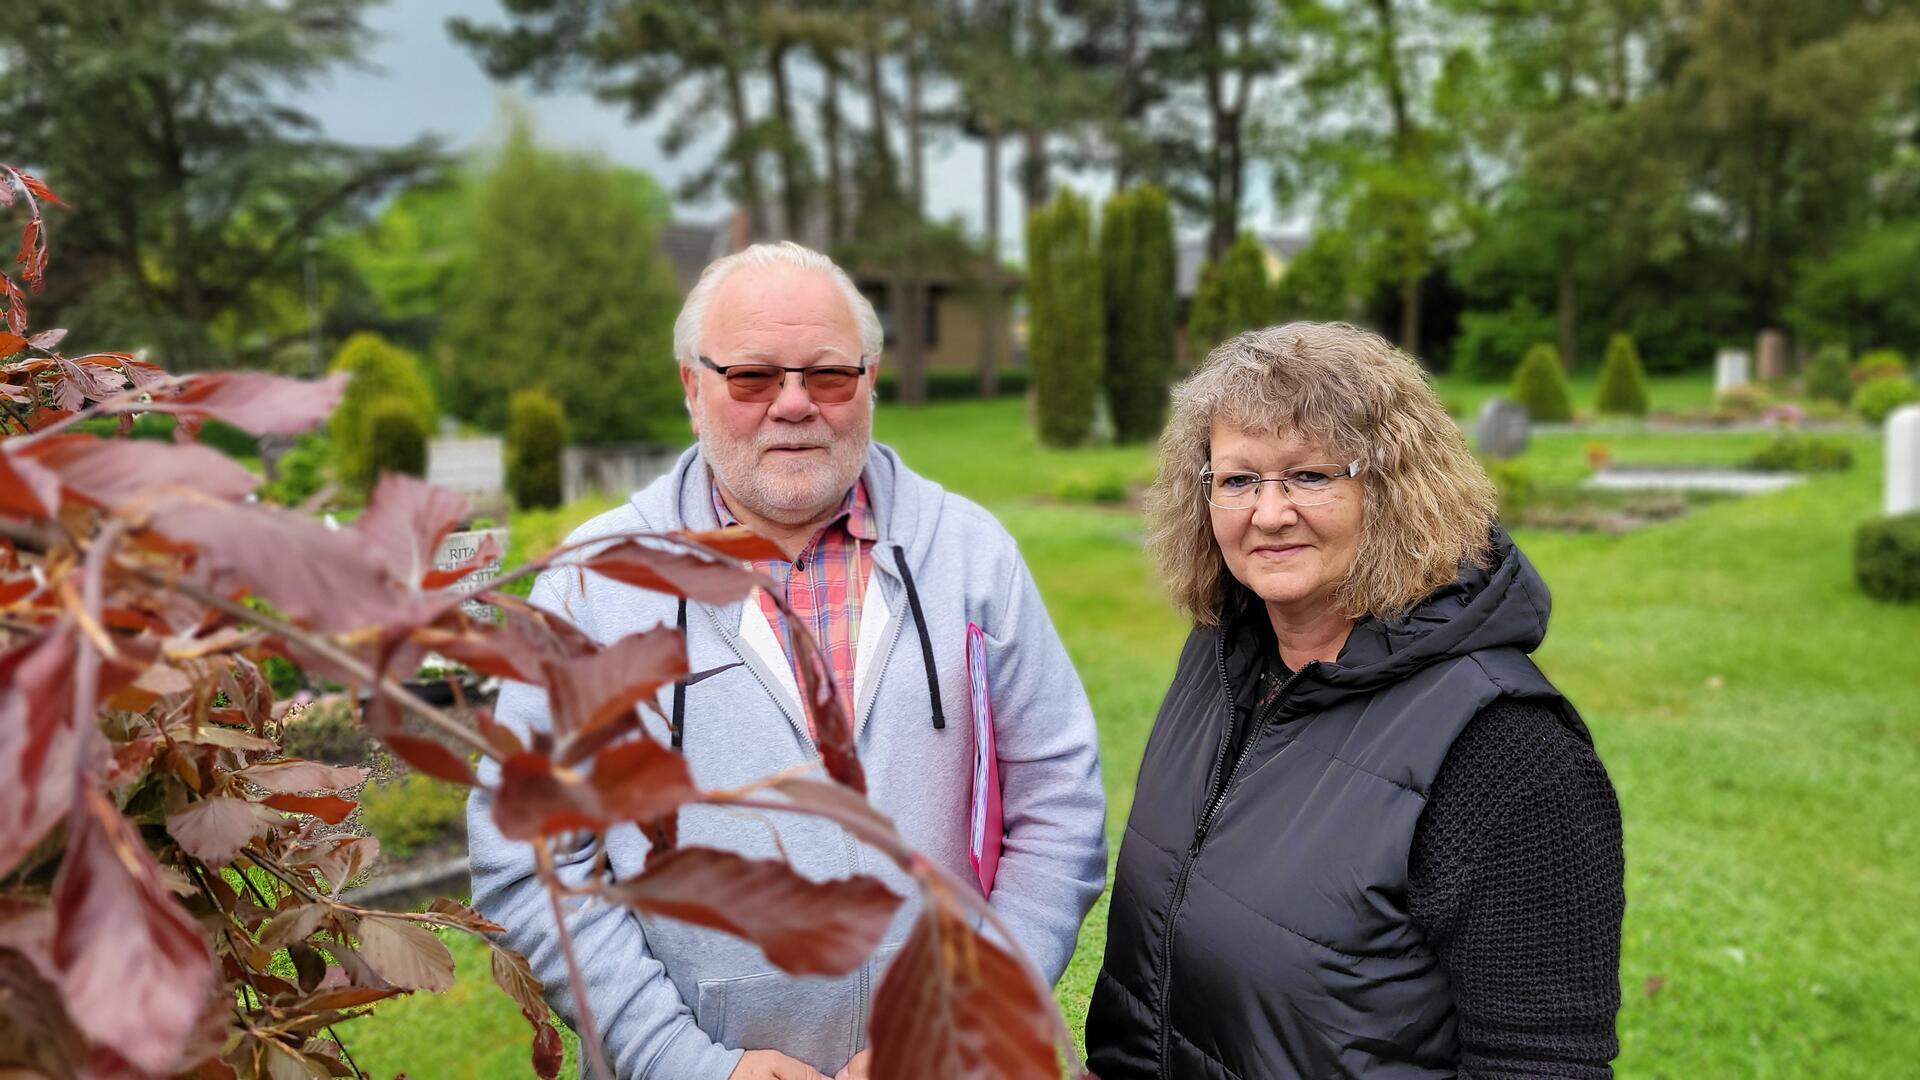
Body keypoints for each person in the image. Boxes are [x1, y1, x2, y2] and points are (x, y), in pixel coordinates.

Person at [468, 242, 1106, 1080]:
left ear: (869, 379)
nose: (795, 405)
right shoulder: (594, 588)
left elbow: (1061, 807)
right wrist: (686, 1062)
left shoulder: (971, 556)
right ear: (692, 387)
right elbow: (530, 862)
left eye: (828, 376)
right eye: (753, 377)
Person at [1085, 323, 1625, 1079]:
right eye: (1238, 480)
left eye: (1310, 476)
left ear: (1396, 487)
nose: (1268, 514)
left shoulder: (1509, 753)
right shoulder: (1220, 654)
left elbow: (1541, 1066)